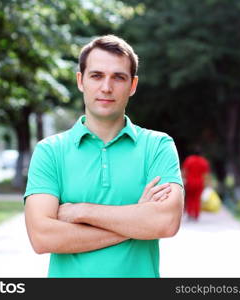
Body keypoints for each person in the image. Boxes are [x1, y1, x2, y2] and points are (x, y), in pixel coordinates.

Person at [24, 35, 184, 278]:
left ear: (132, 85)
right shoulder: (50, 151)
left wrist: (80, 211)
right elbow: (42, 237)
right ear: (81, 81)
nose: (106, 88)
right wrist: (137, 220)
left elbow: (165, 223)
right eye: (96, 76)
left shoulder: (158, 146)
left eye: (118, 77)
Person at [182, 149, 210, 220]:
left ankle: (190, 213)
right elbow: (205, 175)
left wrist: (183, 179)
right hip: (199, 183)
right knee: (197, 199)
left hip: (190, 182)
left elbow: (185, 171)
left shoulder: (189, 160)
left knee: (190, 198)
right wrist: (206, 184)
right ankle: (196, 215)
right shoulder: (204, 162)